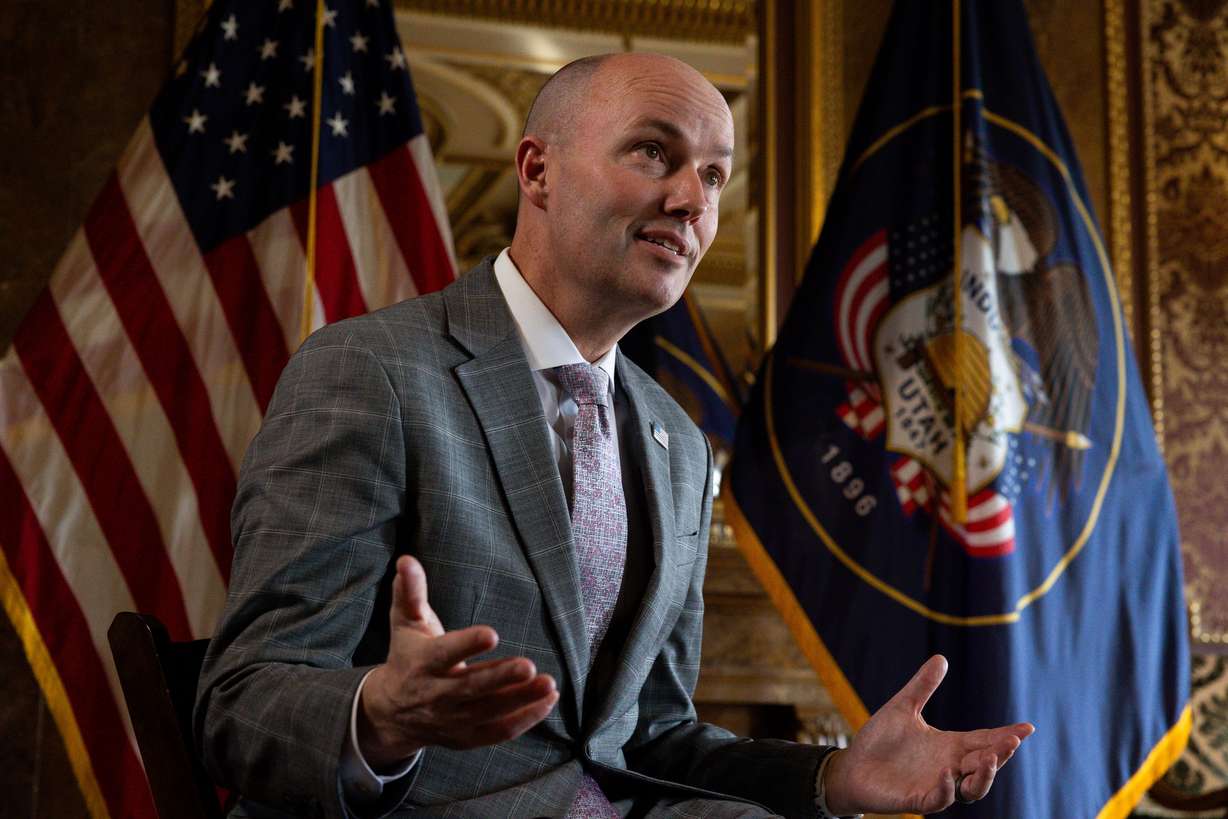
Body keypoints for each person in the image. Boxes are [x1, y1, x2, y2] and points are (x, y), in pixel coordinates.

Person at [195, 52, 1033, 818]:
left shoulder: (679, 442)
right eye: (653, 153)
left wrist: (833, 777)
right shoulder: (369, 370)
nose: (692, 200)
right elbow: (242, 700)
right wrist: (378, 714)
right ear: (537, 170)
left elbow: (652, 734)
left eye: (713, 174)